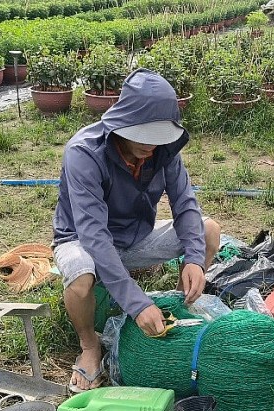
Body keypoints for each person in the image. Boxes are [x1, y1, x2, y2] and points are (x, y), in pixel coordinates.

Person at [52, 69, 221, 393]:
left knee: (208, 231)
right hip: (82, 239)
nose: (150, 145)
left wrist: (195, 261)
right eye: (143, 135)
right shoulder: (84, 153)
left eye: (158, 137)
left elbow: (185, 204)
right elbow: (94, 234)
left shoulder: (164, 151)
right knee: (82, 277)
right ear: (121, 122)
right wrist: (136, 302)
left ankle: (177, 305)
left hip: (134, 236)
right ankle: (90, 345)